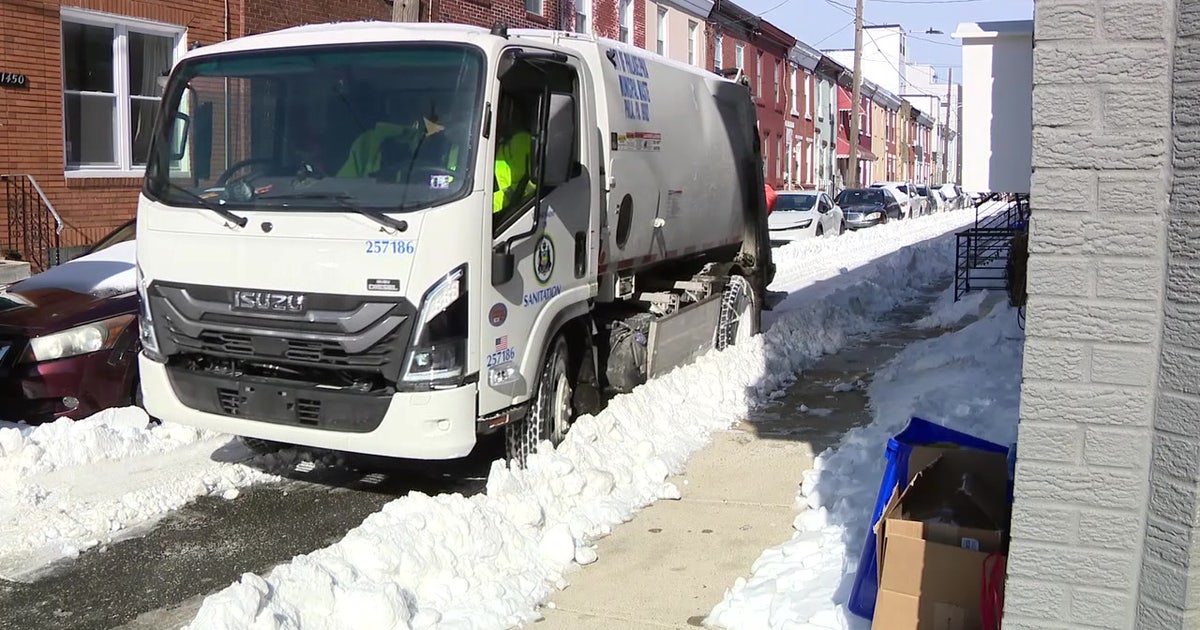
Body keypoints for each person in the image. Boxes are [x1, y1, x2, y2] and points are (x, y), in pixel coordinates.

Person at [336, 91, 422, 179]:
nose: (405, 109)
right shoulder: (366, 142)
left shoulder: (429, 140)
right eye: (398, 103)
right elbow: (341, 186)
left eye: (412, 104)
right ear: (388, 108)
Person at [493, 96, 537, 214]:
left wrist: (486, 205)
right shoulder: (501, 141)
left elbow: (526, 187)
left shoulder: (522, 141)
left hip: (514, 212)